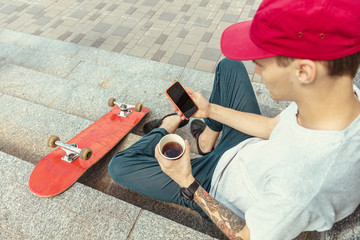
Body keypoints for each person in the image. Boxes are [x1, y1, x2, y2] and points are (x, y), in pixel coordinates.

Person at [108, 0, 360, 238]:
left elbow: (248, 235)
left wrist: (187, 181)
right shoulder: (337, 94)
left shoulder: (303, 185)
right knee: (230, 66)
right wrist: (209, 111)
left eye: (261, 62)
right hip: (247, 150)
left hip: (213, 184)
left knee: (120, 166)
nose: (257, 70)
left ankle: (167, 125)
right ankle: (206, 141)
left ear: (304, 71)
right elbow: (273, 127)